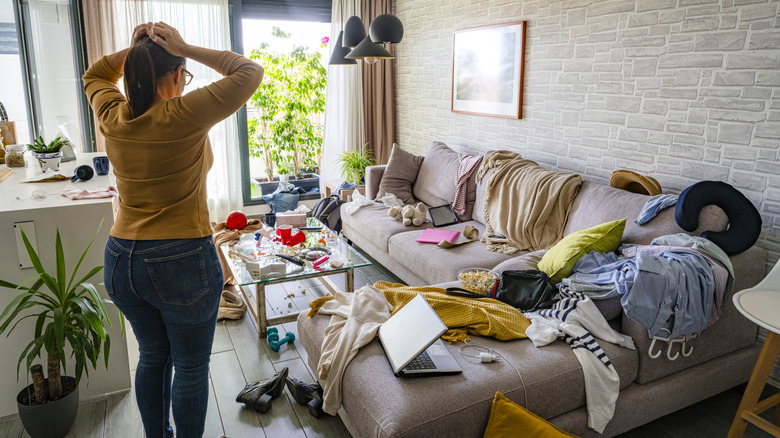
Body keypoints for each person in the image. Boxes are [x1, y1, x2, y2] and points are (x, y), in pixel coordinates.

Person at [82, 22, 263, 438]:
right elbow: (249, 72)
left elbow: (94, 75)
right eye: (184, 71)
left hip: (121, 260)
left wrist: (139, 51)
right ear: (178, 74)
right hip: (181, 259)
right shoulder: (183, 113)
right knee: (192, 365)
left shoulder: (114, 114)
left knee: (152, 356)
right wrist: (182, 47)